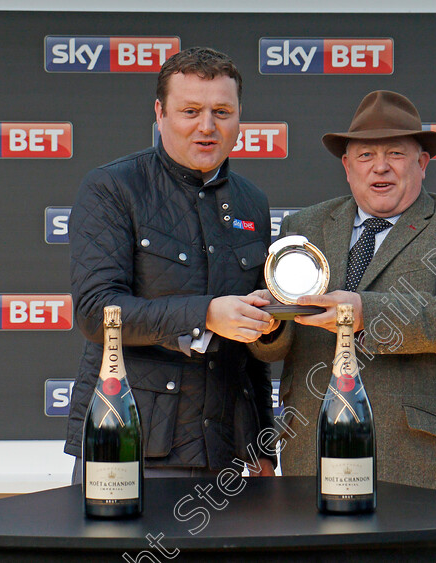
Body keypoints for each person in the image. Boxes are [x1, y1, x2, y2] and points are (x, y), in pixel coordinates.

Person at [250, 90, 436, 494]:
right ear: (347, 167)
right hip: (310, 453)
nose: (380, 168)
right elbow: (276, 345)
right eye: (366, 156)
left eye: (396, 154)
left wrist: (364, 311)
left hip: (418, 461)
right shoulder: (305, 225)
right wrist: (265, 324)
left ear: (423, 163)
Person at [66, 47, 276, 479]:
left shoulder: (253, 201)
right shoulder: (112, 188)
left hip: (230, 450)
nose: (207, 126)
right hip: (132, 443)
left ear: (240, 116)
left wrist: (262, 444)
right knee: (125, 551)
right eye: (190, 111)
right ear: (160, 113)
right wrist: (206, 314)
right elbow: (95, 312)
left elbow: (253, 348)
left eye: (222, 111)